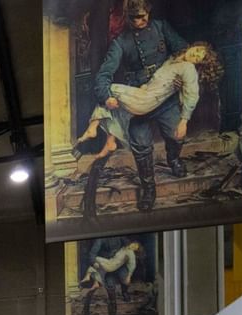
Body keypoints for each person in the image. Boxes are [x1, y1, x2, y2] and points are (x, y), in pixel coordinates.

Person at [93, 0, 188, 212]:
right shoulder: (120, 42)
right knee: (141, 146)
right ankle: (148, 188)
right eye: (136, 17)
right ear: (128, 17)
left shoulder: (162, 27)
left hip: (165, 97)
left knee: (176, 134)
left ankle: (174, 159)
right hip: (138, 101)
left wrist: (180, 71)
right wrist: (106, 96)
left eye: (145, 16)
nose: (142, 21)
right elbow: (104, 74)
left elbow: (183, 49)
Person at [77, 42, 223, 161]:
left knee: (110, 90)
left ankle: (92, 127)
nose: (194, 54)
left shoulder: (188, 68)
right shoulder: (173, 61)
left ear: (198, 64)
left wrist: (184, 121)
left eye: (198, 57)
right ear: (193, 46)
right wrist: (146, 85)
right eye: (197, 50)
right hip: (145, 94)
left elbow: (192, 94)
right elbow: (159, 80)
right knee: (117, 107)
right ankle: (110, 143)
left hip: (146, 100)